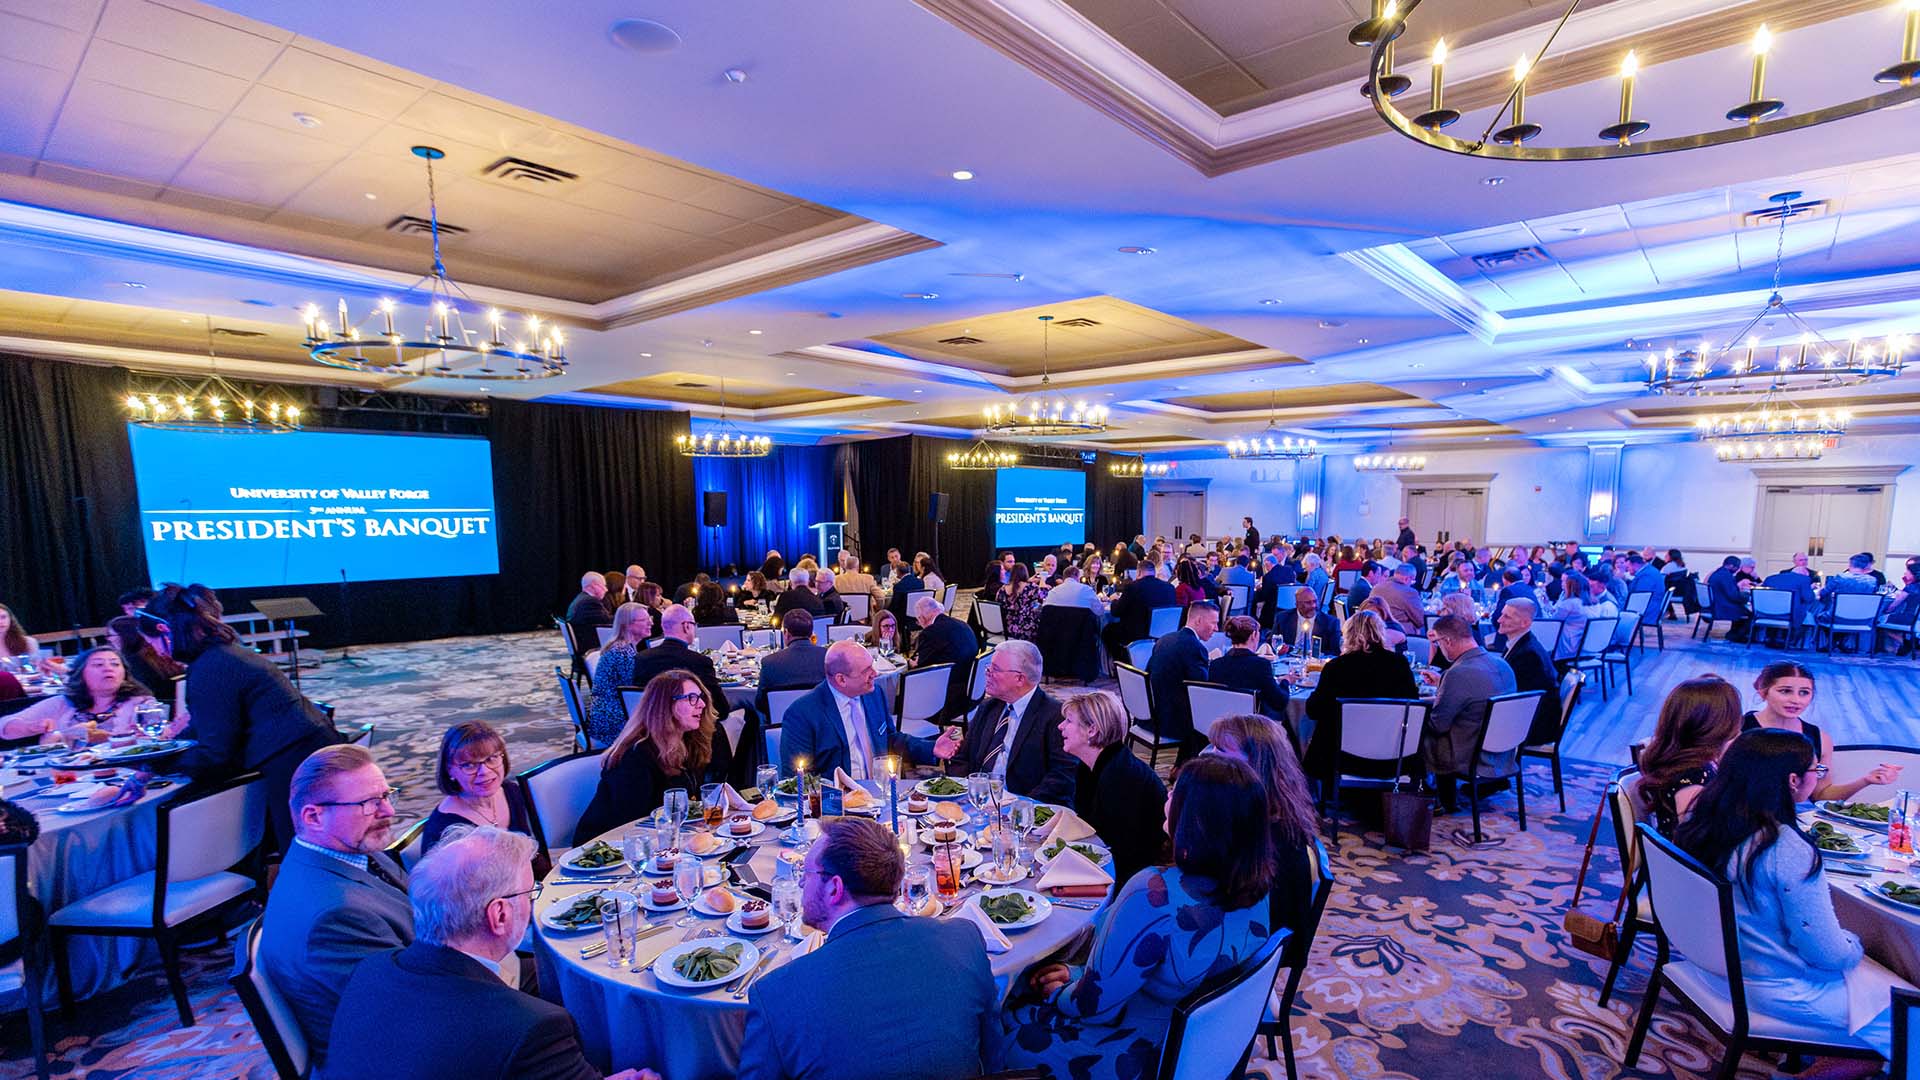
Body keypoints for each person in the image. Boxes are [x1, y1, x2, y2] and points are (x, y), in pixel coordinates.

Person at [1000, 755, 1276, 1080]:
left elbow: (1093, 1008)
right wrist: (1080, 972)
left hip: (1137, 1052)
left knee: (1003, 1015)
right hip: (1199, 1046)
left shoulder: (1154, 893)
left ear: (1199, 820)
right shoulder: (1258, 885)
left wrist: (1058, 992)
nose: (1167, 797)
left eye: (1176, 793)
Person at [325, 825, 658, 1080]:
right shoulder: (531, 1028)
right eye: (530, 892)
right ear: (499, 915)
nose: (531, 902)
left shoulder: (371, 970)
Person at [1672, 730, 1897, 1058]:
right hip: (1772, 987)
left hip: (1711, 967)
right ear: (1793, 781)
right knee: (1910, 1019)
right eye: (1816, 771)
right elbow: (1828, 955)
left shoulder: (1702, 820)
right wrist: (1860, 947)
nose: (1818, 777)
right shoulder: (1784, 847)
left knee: (1882, 990)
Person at [740, 818, 996, 1080]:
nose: (803, 884)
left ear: (835, 889)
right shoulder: (963, 938)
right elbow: (993, 1057)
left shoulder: (776, 993)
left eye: (806, 874)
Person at [146, 583, 341, 851]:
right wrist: (168, 747)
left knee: (309, 853)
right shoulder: (225, 653)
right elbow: (212, 723)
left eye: (152, 644)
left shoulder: (210, 667)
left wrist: (155, 764)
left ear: (164, 631)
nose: (157, 653)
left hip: (294, 762)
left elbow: (215, 753)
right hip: (309, 749)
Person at [260, 745, 411, 1068]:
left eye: (387, 796)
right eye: (369, 804)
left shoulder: (352, 850)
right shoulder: (334, 916)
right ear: (314, 816)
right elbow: (408, 1010)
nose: (388, 812)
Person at [573, 670, 734, 843]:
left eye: (701, 697)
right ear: (665, 706)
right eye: (691, 698)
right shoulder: (635, 756)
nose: (702, 704)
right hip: (610, 848)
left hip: (663, 837)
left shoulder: (690, 741)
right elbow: (631, 823)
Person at [778, 640, 958, 778]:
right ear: (841, 679)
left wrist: (931, 747)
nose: (876, 673)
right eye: (866, 670)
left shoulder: (873, 694)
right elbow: (797, 779)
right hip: (836, 807)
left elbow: (890, 739)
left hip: (880, 793)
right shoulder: (802, 714)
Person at [1207, 713, 1316, 936]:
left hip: (1253, 934)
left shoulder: (1264, 828)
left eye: (1221, 751)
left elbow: (1219, 888)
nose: (1210, 757)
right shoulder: (1276, 803)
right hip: (1255, 919)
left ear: (1256, 762)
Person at [1741, 662, 1901, 802]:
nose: (1795, 700)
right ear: (1763, 692)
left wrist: (1866, 780)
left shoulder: (1820, 739)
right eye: (1785, 691)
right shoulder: (1739, 728)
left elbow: (1821, 795)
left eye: (1804, 692)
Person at [1056, 691, 1166, 888]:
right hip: (1107, 859)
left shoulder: (1121, 776)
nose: (1060, 726)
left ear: (1092, 730)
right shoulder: (1088, 765)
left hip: (1134, 879)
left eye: (1068, 721)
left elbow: (1123, 852)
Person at [943, 640, 1074, 804]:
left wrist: (1019, 806)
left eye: (995, 669)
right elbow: (962, 758)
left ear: (1019, 678)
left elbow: (1062, 776)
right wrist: (964, 794)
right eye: (989, 667)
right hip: (977, 804)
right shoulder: (988, 707)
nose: (987, 673)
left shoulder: (1056, 716)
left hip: (1025, 809)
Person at [1302, 611, 1420, 781]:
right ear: (1381, 633)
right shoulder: (1399, 665)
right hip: (1391, 755)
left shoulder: (1337, 667)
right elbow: (1413, 706)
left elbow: (1314, 710)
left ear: (1348, 634)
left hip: (1341, 758)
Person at [1421, 613, 1517, 813]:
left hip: (1469, 753)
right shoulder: (1502, 664)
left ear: (1447, 641)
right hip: (1503, 751)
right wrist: (1443, 681)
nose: (1438, 647)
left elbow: (1438, 725)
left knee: (1412, 734)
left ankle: (1435, 798)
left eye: (1438, 643)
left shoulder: (1458, 673)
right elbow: (1477, 692)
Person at [1636, 676, 1743, 834]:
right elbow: (1697, 844)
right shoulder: (1694, 777)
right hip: (1682, 858)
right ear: (1719, 724)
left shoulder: (1690, 761)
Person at [420, 721, 535, 860]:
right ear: (450, 770)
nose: (484, 772)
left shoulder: (511, 791)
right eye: (469, 765)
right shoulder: (443, 829)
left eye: (491, 758)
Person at [0, 645, 154, 740]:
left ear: (124, 673)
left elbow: (156, 738)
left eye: (115, 664)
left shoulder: (141, 704)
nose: (108, 668)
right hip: (68, 777)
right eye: (98, 664)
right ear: (81, 674)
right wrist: (32, 727)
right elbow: (4, 727)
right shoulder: (63, 703)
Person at [626, 605, 733, 730]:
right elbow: (720, 709)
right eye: (694, 625)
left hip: (651, 728)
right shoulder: (699, 661)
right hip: (691, 731)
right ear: (686, 626)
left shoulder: (642, 658)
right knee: (748, 715)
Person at [1147, 600, 1217, 761]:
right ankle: (1189, 767)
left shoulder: (1165, 639)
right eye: (1213, 623)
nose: (1217, 628)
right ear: (1198, 621)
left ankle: (1180, 765)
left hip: (1150, 714)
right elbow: (1202, 690)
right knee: (1210, 718)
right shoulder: (1195, 648)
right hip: (1170, 721)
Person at [1491, 600, 1560, 747]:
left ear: (1525, 623)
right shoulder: (1520, 644)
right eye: (1502, 614)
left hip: (1533, 726)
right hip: (1527, 715)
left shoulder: (1529, 654)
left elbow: (1513, 695)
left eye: (1507, 617)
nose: (1499, 620)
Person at [1207, 615, 1290, 736]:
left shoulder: (1216, 665)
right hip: (1255, 730)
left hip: (1225, 729)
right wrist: (1286, 682)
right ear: (1254, 635)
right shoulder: (1260, 665)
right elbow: (1279, 702)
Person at [586, 603, 653, 748]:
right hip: (612, 719)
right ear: (627, 625)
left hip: (607, 712)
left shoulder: (622, 646)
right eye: (645, 620)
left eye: (650, 618)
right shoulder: (622, 652)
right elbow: (635, 690)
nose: (651, 623)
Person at [909, 594, 979, 724]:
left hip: (949, 701)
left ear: (922, 618)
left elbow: (920, 670)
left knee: (903, 694)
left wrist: (913, 664)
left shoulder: (930, 632)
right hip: (973, 692)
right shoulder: (963, 625)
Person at [1102, 553, 1177, 659]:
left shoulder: (1132, 588)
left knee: (1107, 631)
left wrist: (1114, 600)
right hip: (1164, 632)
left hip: (1137, 632)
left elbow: (1116, 611)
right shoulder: (1169, 588)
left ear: (1139, 572)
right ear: (1154, 572)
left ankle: (1124, 661)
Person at [756, 609, 828, 718]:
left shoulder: (769, 662)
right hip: (822, 723)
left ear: (786, 633)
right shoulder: (828, 657)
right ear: (812, 632)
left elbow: (761, 703)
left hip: (781, 725)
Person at [108, 612, 185, 712]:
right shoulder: (157, 652)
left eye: (111, 635)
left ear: (125, 635)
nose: (109, 640)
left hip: (155, 711)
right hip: (177, 705)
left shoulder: (132, 662)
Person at [565, 571, 612, 674]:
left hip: (582, 649)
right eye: (604, 586)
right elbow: (608, 623)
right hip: (589, 653)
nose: (606, 589)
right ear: (594, 585)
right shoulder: (589, 602)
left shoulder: (581, 599)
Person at [1273, 588, 1341, 657]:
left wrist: (1320, 654)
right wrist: (1279, 650)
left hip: (1317, 663)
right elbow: (1272, 643)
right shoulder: (1283, 618)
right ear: (1297, 604)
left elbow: (1336, 652)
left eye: (1315, 601)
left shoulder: (1331, 623)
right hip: (1288, 661)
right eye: (1308, 602)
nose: (1313, 606)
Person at [996, 563, 1048, 641]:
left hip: (1007, 629)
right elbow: (1044, 595)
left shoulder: (1002, 589)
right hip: (1027, 630)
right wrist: (1042, 580)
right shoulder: (1031, 587)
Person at [1706, 556, 1751, 641]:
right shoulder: (1726, 576)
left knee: (1743, 609)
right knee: (1750, 613)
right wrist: (1746, 597)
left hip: (1716, 604)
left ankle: (1733, 633)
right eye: (1737, 567)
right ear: (1730, 565)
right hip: (1722, 607)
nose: (1737, 570)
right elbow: (1733, 595)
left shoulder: (1718, 573)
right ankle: (1739, 636)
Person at [1372, 562, 1426, 632]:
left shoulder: (1376, 588)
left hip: (1376, 630)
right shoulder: (1409, 592)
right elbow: (1420, 620)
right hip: (1400, 633)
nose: (1412, 584)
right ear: (1407, 579)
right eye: (1412, 581)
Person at [1040, 565, 1108, 620]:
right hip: (1082, 634)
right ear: (1078, 577)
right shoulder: (1087, 590)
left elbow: (1045, 612)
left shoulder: (1053, 592)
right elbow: (1100, 612)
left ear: (1064, 578)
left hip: (1057, 634)